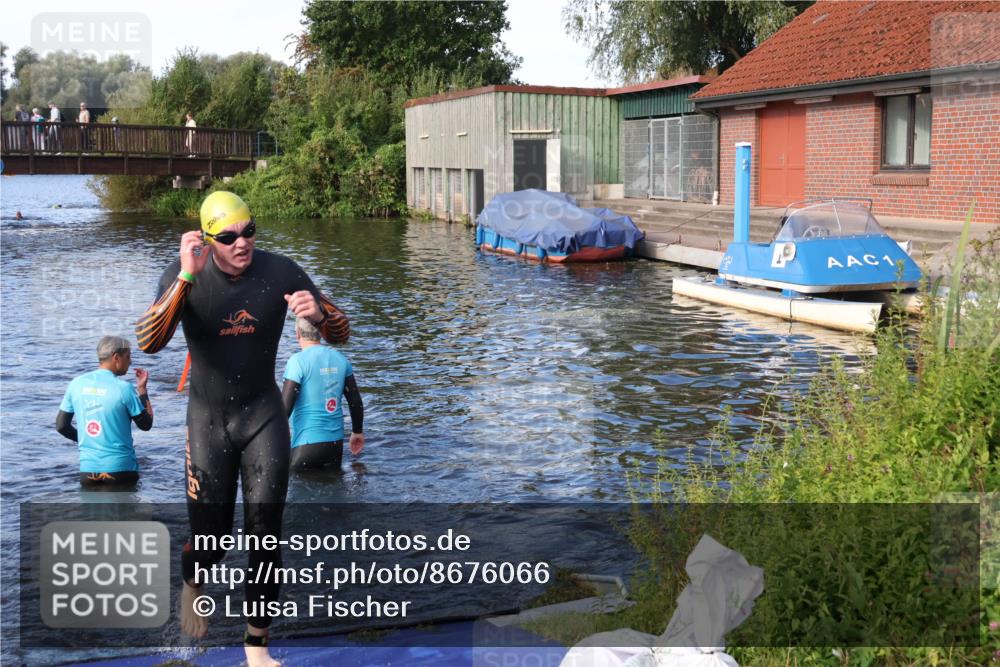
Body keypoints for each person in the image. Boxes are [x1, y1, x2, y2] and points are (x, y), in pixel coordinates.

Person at [135, 191, 349, 667]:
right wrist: (187, 277)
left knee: (266, 533)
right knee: (211, 539)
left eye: (249, 231)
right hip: (208, 421)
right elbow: (149, 342)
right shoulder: (184, 274)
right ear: (207, 240)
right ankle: (193, 581)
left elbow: (342, 329)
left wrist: (321, 316)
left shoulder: (282, 272)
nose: (242, 243)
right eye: (228, 237)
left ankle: (257, 645)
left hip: (263, 416)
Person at [55, 336, 154, 489]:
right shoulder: (124, 388)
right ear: (116, 357)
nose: (131, 362)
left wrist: (88, 441)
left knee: (93, 513)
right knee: (126, 513)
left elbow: (61, 426)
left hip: (88, 470)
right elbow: (146, 424)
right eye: (128, 357)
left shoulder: (76, 384)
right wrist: (142, 390)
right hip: (121, 469)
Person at [282, 317, 364, 471]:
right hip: (335, 447)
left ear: (297, 333)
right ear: (321, 332)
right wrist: (357, 432)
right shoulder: (341, 359)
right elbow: (355, 401)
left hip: (305, 446)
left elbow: (284, 408)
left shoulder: (297, 361)